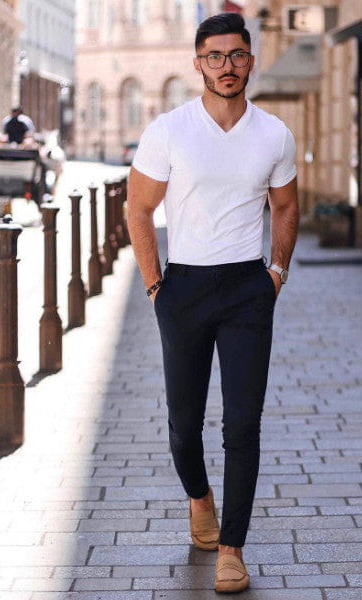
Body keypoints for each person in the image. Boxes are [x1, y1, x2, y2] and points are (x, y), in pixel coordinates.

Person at [127, 12, 298, 594]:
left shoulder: (274, 133)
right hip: (185, 289)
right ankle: (201, 502)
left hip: (248, 290)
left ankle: (233, 548)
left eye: (238, 55)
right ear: (198, 63)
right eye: (216, 57)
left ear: (252, 60)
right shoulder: (169, 130)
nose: (228, 67)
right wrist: (155, 286)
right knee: (182, 426)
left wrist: (275, 272)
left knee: (243, 424)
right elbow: (138, 210)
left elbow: (286, 207)